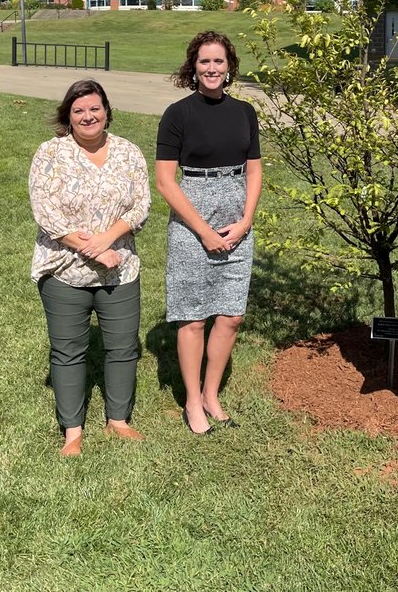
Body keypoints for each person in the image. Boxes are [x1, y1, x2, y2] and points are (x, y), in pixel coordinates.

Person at [28, 79, 150, 457]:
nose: (88, 116)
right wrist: (94, 250)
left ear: (107, 112)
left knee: (122, 347)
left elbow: (141, 207)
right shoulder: (50, 154)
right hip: (63, 270)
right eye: (78, 111)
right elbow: (46, 213)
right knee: (68, 352)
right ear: (68, 116)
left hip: (120, 269)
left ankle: (118, 420)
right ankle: (72, 431)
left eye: (94, 108)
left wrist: (106, 240)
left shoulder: (129, 153)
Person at [156, 31, 262, 436]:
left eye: (219, 62)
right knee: (193, 316)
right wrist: (202, 231)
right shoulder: (177, 114)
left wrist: (246, 219)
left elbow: (254, 169)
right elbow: (166, 181)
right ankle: (192, 400)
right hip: (191, 221)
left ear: (229, 66)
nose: (212, 69)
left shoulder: (244, 112)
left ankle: (212, 393)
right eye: (205, 62)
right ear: (193, 67)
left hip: (237, 219)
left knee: (231, 314)